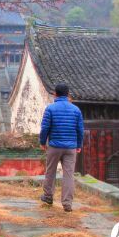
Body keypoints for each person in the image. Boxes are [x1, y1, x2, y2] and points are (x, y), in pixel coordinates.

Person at [39, 83, 84, 212]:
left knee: (51, 171)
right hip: (71, 148)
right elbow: (80, 130)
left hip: (54, 146)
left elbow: (45, 128)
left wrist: (43, 142)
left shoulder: (50, 109)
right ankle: (67, 204)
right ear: (68, 94)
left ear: (55, 94)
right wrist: (79, 145)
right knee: (69, 175)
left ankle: (48, 196)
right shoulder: (76, 110)